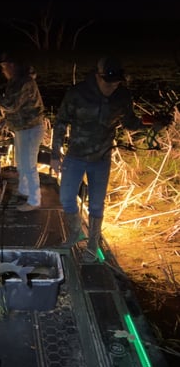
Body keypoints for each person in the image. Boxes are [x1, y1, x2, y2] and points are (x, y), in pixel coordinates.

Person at [50, 56, 168, 262]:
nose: (112, 86)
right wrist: (54, 154)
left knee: (97, 205)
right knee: (67, 198)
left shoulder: (122, 96)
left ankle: (93, 244)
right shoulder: (77, 93)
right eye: (108, 82)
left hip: (101, 159)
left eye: (117, 82)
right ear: (98, 76)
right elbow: (60, 123)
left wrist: (152, 122)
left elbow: (130, 122)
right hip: (75, 156)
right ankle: (76, 232)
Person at [0, 54, 45, 212]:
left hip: (30, 129)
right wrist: (6, 120)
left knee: (28, 165)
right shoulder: (17, 82)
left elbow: (11, 105)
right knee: (21, 162)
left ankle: (34, 200)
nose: (2, 70)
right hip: (23, 128)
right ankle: (25, 191)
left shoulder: (24, 82)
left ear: (12, 65)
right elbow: (21, 107)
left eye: (4, 66)